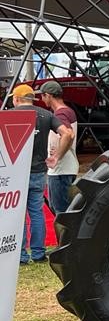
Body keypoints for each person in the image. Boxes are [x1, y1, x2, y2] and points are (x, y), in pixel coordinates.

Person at [11, 84, 74, 264]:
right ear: (32, 99)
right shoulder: (46, 115)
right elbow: (67, 134)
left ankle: (21, 255)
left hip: (17, 172)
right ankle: (38, 253)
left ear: (16, 99)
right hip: (39, 171)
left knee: (18, 214)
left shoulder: (9, 116)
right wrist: (56, 157)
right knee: (37, 212)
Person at [39, 80, 79, 214]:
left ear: (48, 95)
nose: (42, 99)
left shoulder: (60, 114)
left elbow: (68, 134)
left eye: (42, 96)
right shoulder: (68, 111)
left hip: (60, 171)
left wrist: (56, 156)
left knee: (61, 212)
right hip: (66, 169)